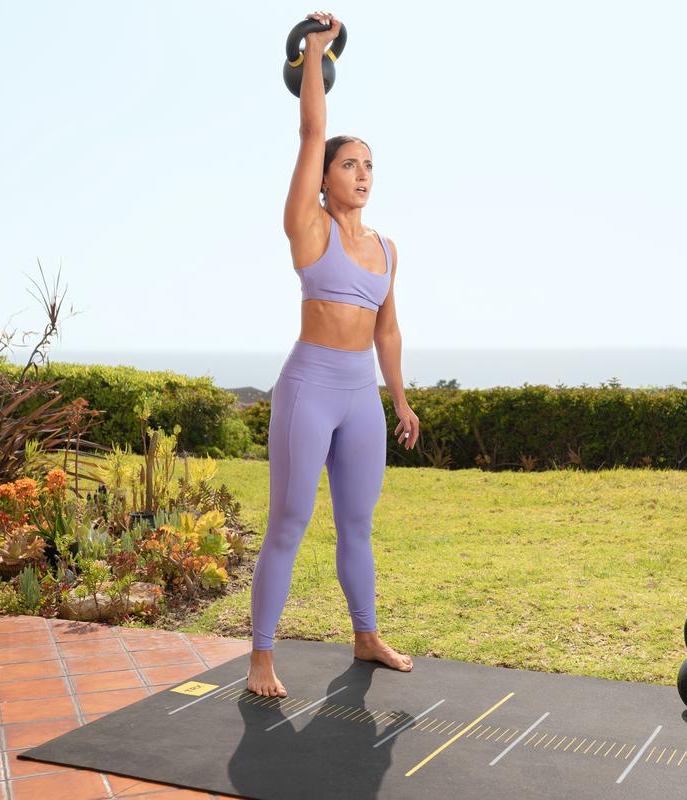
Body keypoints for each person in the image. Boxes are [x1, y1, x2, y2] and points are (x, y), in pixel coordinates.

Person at [246, 10, 419, 698]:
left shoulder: (388, 248)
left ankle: (366, 633)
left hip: (361, 397)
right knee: (288, 523)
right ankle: (261, 657)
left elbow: (388, 331)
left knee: (357, 525)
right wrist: (316, 51)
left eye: (370, 164)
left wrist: (400, 399)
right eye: (350, 164)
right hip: (310, 387)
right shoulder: (309, 227)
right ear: (324, 179)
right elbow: (311, 130)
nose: (363, 173)